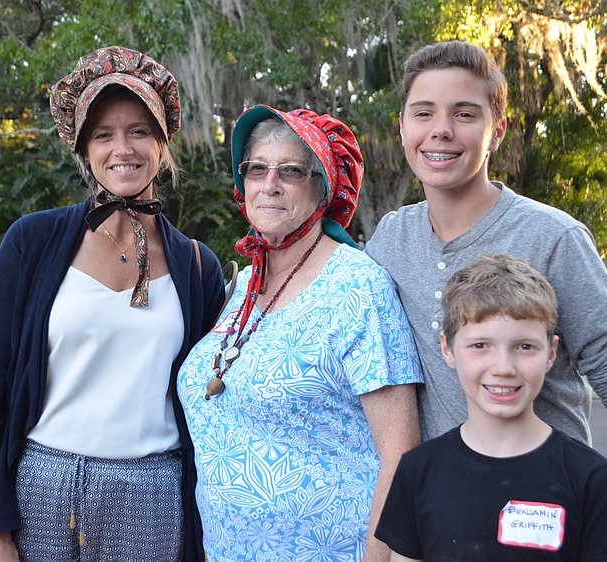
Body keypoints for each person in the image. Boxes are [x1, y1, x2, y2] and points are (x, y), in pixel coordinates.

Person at [364, 40, 607, 549]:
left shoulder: (553, 239)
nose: (441, 129)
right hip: (439, 524)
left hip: (544, 522)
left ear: (497, 131)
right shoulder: (391, 240)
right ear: (403, 128)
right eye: (424, 113)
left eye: (465, 114)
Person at [0, 46, 224, 562]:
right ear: (84, 149)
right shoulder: (31, 243)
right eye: (103, 135)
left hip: (151, 494)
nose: (122, 149)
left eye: (138, 131)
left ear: (162, 142)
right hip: (41, 488)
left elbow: (212, 405)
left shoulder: (199, 268)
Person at [176, 104, 424, 561]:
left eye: (291, 171)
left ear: (323, 187)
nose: (269, 184)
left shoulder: (358, 286)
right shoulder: (241, 288)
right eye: (257, 169)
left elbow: (401, 456)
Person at [375, 254, 607, 561]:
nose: (503, 368)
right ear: (447, 348)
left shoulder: (592, 480)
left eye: (525, 346)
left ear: (551, 353)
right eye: (480, 345)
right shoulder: (417, 472)